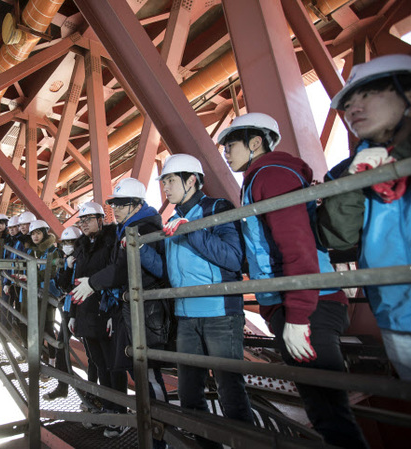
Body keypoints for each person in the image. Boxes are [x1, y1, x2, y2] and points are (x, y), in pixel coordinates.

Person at [218, 113, 369, 449]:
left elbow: (296, 244)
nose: (225, 153)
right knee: (326, 411)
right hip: (300, 302)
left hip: (308, 306)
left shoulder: (270, 175)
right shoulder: (263, 176)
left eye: (230, 144)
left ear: (255, 142)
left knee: (329, 414)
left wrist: (299, 316)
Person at [317, 55, 411, 381]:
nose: (353, 108)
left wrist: (398, 157)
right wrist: (352, 184)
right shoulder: (344, 173)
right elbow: (337, 238)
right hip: (395, 317)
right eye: (348, 104)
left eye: (368, 94)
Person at [156, 154, 252, 449]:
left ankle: (246, 444)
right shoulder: (172, 220)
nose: (165, 188)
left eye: (171, 180)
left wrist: (190, 230)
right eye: (163, 182)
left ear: (192, 180)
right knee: (189, 393)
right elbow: (166, 270)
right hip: (186, 315)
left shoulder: (217, 208)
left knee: (230, 388)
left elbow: (234, 259)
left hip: (220, 312)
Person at [73, 179, 169, 440]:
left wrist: (93, 283)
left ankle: (161, 431)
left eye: (121, 204)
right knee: (136, 370)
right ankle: (154, 429)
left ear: (137, 204)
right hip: (127, 308)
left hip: (143, 310)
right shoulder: (127, 230)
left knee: (145, 372)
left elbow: (123, 268)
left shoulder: (141, 229)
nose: (116, 209)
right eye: (114, 204)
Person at [59, 202, 121, 424]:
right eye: (81, 221)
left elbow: (118, 276)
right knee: (99, 363)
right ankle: (107, 407)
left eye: (88, 219)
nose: (83, 224)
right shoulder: (82, 247)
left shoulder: (112, 242)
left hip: (106, 312)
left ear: (101, 219)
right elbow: (74, 283)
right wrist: (74, 313)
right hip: (86, 313)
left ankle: (119, 413)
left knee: (113, 364)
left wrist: (115, 314)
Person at [44, 225, 83, 401]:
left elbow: (72, 286)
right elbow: (62, 284)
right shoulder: (67, 259)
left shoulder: (83, 259)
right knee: (61, 349)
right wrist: (66, 268)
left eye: (71, 242)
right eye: (65, 242)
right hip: (69, 308)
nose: (67, 245)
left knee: (95, 356)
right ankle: (62, 386)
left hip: (81, 310)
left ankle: (94, 394)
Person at [24, 220, 61, 366]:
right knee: (35, 326)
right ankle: (37, 358)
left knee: (48, 327)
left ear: (45, 233)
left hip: (48, 292)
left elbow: (52, 271)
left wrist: (32, 276)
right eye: (33, 234)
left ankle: (52, 360)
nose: (35, 236)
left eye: (38, 233)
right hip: (34, 292)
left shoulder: (53, 251)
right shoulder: (32, 251)